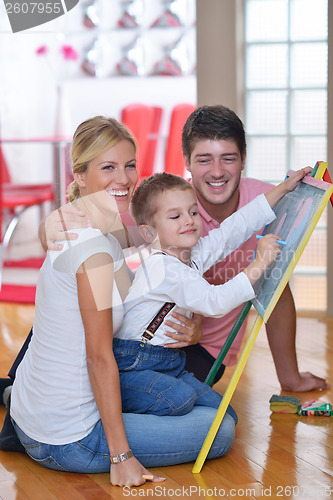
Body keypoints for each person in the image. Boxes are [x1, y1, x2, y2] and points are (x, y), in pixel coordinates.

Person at [3, 116, 238, 487]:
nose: (125, 179)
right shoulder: (94, 248)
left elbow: (158, 235)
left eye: (130, 165)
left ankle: (14, 396)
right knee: (220, 429)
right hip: (70, 438)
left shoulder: (99, 226)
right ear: (79, 174)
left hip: (32, 413)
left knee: (212, 408)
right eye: (108, 167)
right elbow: (99, 357)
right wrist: (121, 456)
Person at [112, 169, 310, 419]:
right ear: (150, 233)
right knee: (181, 400)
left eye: (193, 212)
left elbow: (233, 229)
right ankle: (121, 412)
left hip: (167, 362)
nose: (189, 220)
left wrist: (283, 189)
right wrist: (258, 264)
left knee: (225, 415)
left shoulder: (189, 255)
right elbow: (214, 302)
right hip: (136, 363)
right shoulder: (163, 268)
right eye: (175, 216)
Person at [179, 105, 329, 391]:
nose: (217, 171)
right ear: (186, 161)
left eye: (228, 158)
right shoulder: (171, 204)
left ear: (243, 159)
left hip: (207, 351)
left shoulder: (269, 200)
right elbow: (120, 236)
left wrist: (291, 377)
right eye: (204, 159)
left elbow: (277, 291)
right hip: (158, 338)